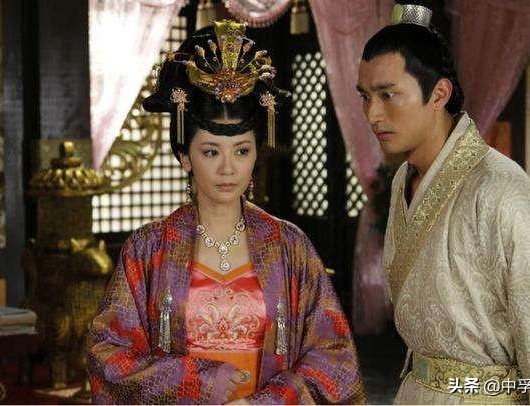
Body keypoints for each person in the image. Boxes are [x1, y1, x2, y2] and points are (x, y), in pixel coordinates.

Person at [86, 20, 365, 404]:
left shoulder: (288, 245)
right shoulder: (149, 248)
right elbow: (107, 352)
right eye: (211, 151)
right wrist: (200, 381)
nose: (228, 168)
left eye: (242, 151)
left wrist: (267, 402)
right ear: (185, 156)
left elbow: (335, 357)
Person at [357, 2, 530, 404]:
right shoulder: (401, 181)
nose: (373, 114)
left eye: (388, 95)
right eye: (365, 97)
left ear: (439, 94)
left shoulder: (501, 189)